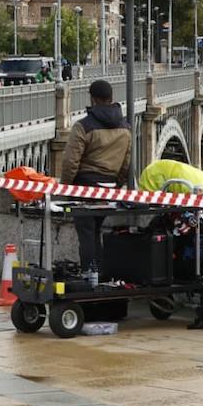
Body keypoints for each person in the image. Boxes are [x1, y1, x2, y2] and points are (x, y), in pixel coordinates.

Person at [59, 79, 131, 275]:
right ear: (111, 99)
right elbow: (126, 164)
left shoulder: (83, 127)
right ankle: (100, 274)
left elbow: (70, 162)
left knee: (87, 235)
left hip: (85, 189)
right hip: (109, 189)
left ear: (93, 99)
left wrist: (65, 188)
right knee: (96, 231)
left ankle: (89, 276)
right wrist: (117, 184)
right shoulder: (126, 128)